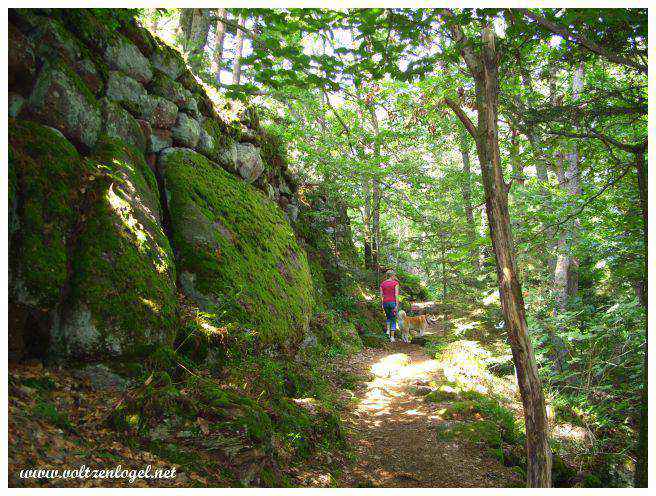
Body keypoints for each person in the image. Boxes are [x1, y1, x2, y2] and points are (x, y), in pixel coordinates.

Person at [380, 269, 400, 342]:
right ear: (392, 275)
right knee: (394, 319)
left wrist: (382, 304)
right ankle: (392, 337)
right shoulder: (395, 283)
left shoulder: (382, 284)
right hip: (392, 302)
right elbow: (396, 295)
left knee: (388, 318)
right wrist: (397, 305)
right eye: (394, 275)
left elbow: (381, 295)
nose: (394, 276)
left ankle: (388, 332)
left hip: (385, 303)